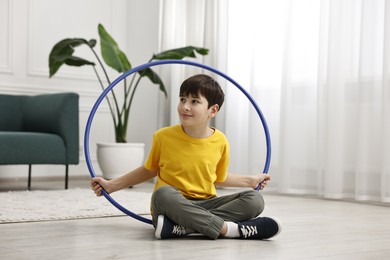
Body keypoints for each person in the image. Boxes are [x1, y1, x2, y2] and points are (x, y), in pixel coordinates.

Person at [91, 74, 281, 240]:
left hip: (205, 203)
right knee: (163, 193)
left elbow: (218, 178)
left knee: (255, 200)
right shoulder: (163, 136)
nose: (185, 106)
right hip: (171, 206)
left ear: (213, 111)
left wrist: (251, 181)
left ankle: (184, 228)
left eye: (194, 101)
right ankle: (228, 229)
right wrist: (111, 185)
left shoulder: (221, 141)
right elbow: (149, 170)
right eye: (182, 99)